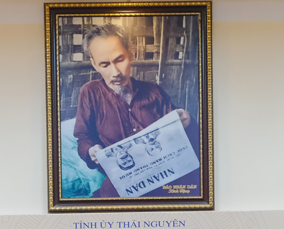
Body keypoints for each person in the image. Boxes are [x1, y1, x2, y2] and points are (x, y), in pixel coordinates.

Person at [73, 22, 199, 198]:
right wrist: (90, 151)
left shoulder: (154, 92)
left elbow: (183, 139)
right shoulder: (90, 92)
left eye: (119, 60)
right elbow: (83, 137)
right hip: (122, 181)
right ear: (94, 64)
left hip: (167, 177)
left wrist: (188, 123)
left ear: (130, 55)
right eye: (104, 64)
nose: (115, 72)